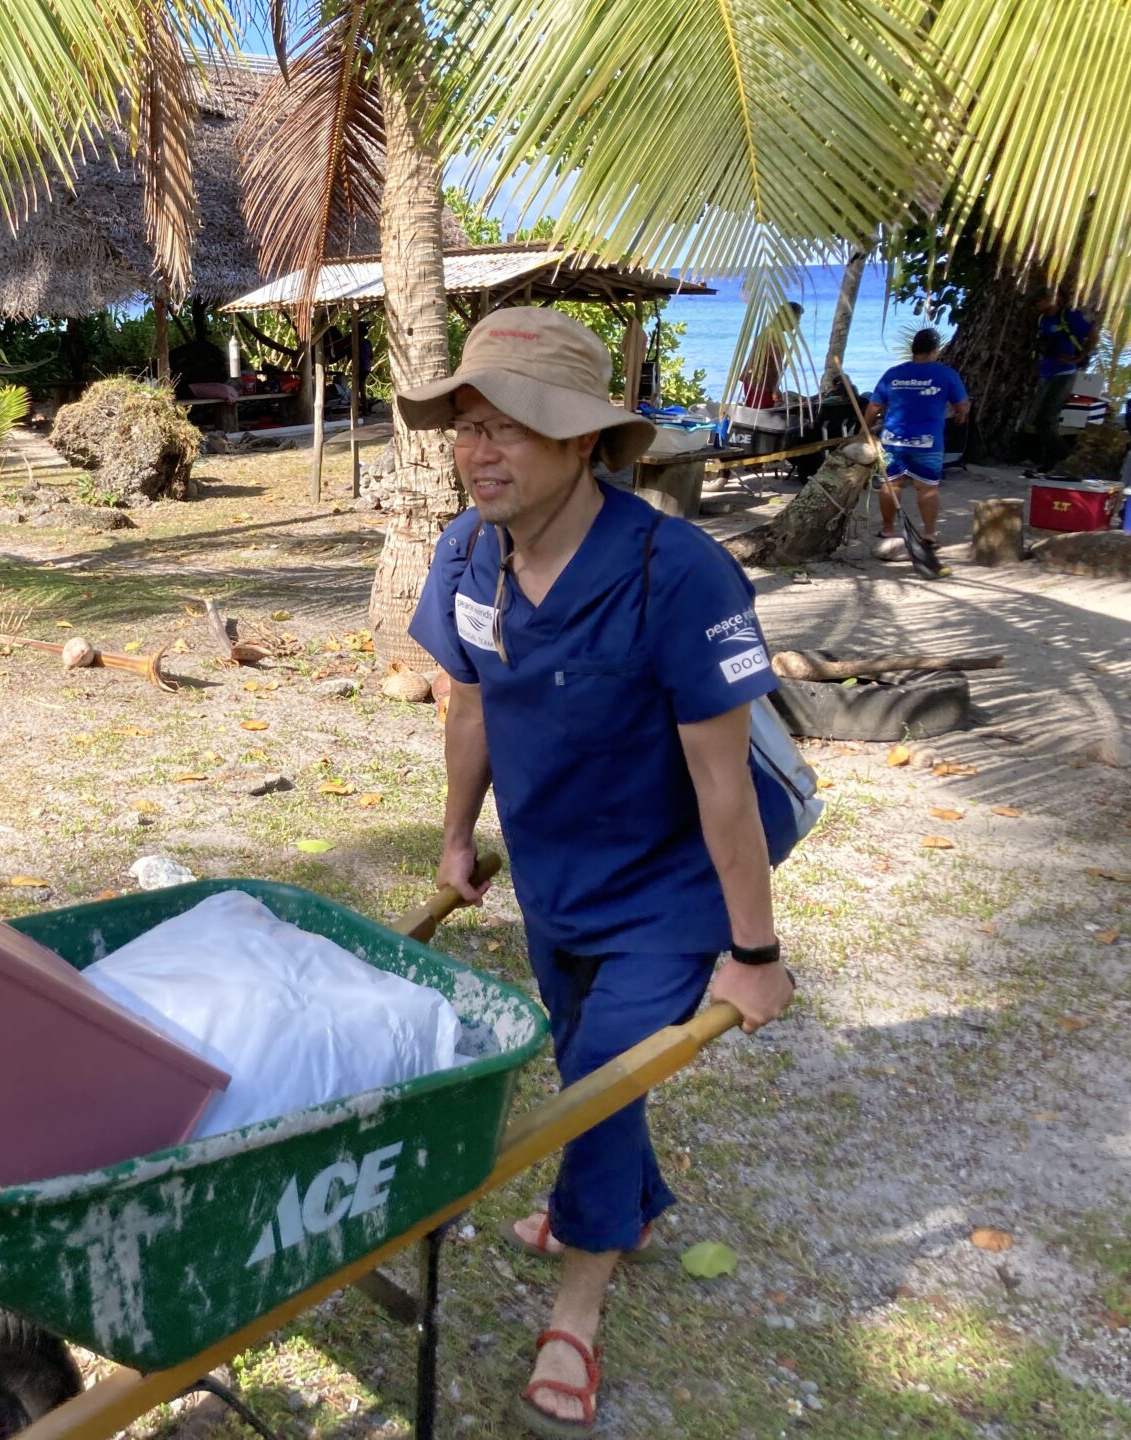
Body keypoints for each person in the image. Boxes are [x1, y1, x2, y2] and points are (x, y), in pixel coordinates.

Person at [401, 309, 795, 1437]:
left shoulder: (680, 575)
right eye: (467, 426)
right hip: (554, 870)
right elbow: (470, 705)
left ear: (582, 441)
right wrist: (455, 838)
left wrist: (754, 952)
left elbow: (724, 786)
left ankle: (577, 1307)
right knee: (588, 1058)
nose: (479, 452)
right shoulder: (467, 553)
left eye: (510, 427)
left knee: (598, 1084)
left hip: (671, 888)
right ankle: (633, 1200)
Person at [866, 329, 970, 546]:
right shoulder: (946, 374)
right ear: (935, 350)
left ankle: (887, 530)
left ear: (913, 348)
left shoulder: (893, 373)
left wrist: (864, 428)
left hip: (893, 440)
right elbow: (962, 404)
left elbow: (875, 405)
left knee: (891, 484)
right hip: (927, 441)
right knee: (927, 487)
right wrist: (961, 414)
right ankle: (930, 534)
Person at [1023, 290, 1094, 475]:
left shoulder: (1069, 317)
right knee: (1043, 421)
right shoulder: (1043, 320)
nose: (1035, 307)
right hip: (1046, 373)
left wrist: (1078, 358)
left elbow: (1093, 335)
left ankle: (1066, 458)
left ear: (1048, 300)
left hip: (1064, 373)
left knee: (1045, 419)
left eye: (1037, 302)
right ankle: (1050, 463)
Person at [737, 300, 803, 409]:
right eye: (796, 320)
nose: (797, 324)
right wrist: (774, 388)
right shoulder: (774, 335)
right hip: (759, 383)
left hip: (757, 381)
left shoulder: (770, 331)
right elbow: (774, 366)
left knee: (756, 412)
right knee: (760, 414)